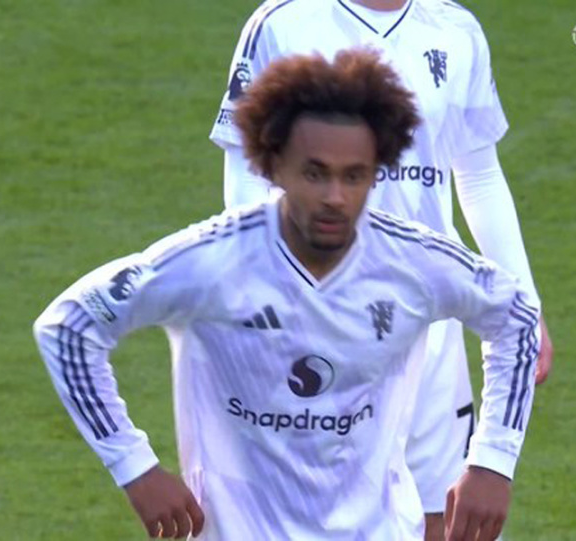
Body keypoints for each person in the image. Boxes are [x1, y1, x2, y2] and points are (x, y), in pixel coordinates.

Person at [35, 49, 539, 540]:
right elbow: (69, 325)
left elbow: (516, 317)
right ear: (274, 167)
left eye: (354, 176)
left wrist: (493, 461)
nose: (335, 197)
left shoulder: (412, 262)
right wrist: (135, 467)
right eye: (315, 173)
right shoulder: (211, 261)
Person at [209, 1, 554, 535]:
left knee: (444, 515)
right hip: (321, 322)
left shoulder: (456, 29)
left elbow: (480, 175)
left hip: (429, 322)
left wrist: (524, 305)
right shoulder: (283, 23)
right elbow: (246, 175)